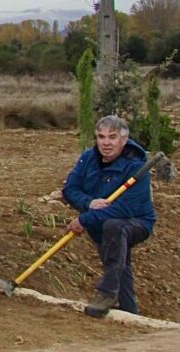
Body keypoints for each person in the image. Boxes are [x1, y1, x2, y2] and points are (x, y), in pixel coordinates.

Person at [62, 114, 157, 317]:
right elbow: (70, 189)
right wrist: (88, 203)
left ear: (124, 139)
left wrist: (84, 219)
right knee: (118, 262)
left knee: (114, 227)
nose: (106, 143)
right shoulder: (88, 158)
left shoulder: (136, 166)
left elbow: (125, 209)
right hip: (100, 221)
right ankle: (130, 312)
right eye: (101, 137)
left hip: (137, 222)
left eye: (112, 137)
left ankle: (107, 294)